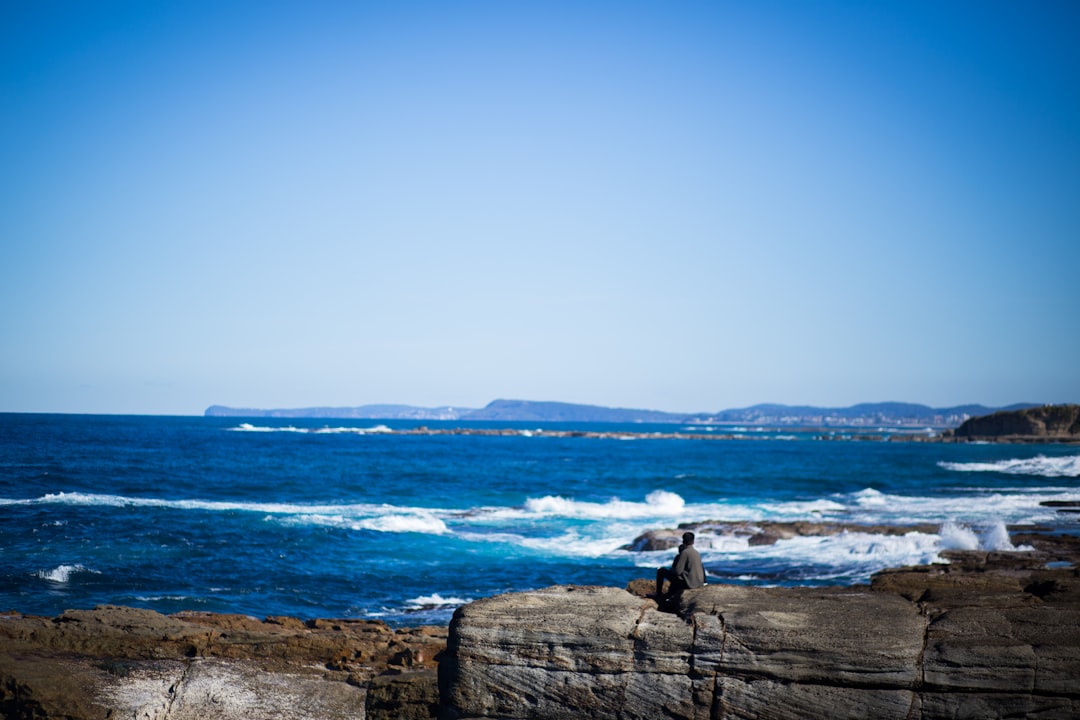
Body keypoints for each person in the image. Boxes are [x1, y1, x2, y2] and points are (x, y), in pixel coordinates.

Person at [655, 531, 706, 607]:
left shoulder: (685, 552)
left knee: (661, 571)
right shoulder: (696, 553)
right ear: (693, 541)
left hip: (689, 584)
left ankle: (658, 595)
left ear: (683, 541)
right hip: (699, 583)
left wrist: (671, 570)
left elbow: (678, 571)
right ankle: (668, 596)